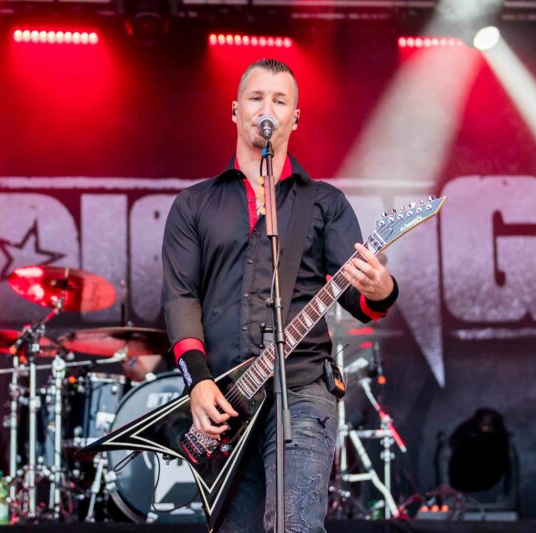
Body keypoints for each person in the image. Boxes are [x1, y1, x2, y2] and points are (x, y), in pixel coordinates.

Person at [161, 59, 399, 532]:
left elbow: (359, 302)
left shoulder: (325, 203)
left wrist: (382, 289)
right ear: (235, 110)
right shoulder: (193, 205)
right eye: (255, 98)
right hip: (228, 397)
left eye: (279, 100)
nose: (266, 109)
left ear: (295, 117)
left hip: (303, 388)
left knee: (297, 525)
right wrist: (198, 382)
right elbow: (180, 298)